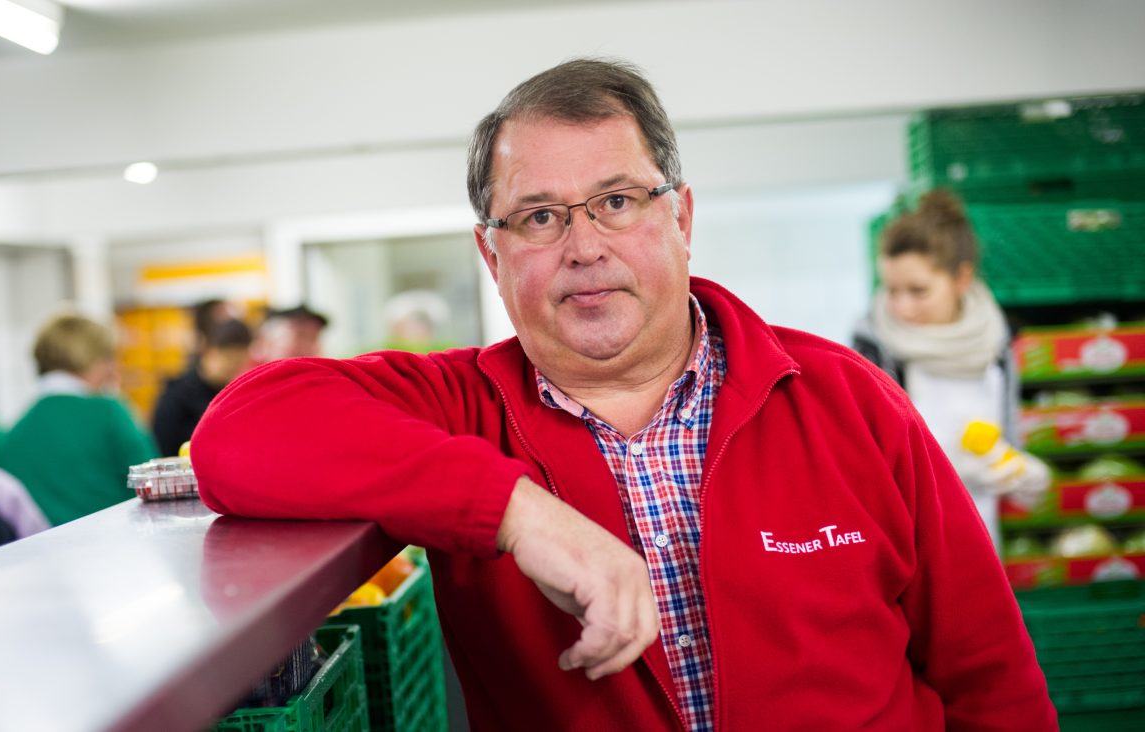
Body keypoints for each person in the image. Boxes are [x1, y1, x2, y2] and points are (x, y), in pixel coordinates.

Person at [192, 59, 1056, 730]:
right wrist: (519, 514)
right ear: (492, 258)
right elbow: (240, 429)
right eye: (538, 216)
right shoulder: (458, 408)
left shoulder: (844, 399)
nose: (582, 245)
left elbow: (992, 680)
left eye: (616, 200)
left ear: (680, 218)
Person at [852, 190, 1050, 550]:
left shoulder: (997, 346)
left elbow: (1008, 439)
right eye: (892, 290)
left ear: (961, 278)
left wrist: (1021, 474)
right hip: (907, 539)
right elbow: (862, 462)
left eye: (918, 291)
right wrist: (939, 471)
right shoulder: (872, 352)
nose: (902, 307)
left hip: (982, 530)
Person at [0, 313, 157, 526]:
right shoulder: (109, 412)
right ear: (92, 359)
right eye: (109, 359)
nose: (113, 370)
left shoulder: (9, 436)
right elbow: (153, 487)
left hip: (39, 555)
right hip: (112, 549)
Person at [152, 318, 253, 457]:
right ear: (209, 351)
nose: (233, 367)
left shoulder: (234, 396)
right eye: (228, 358)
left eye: (239, 361)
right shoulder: (176, 396)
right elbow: (161, 448)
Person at [250, 304, 328, 363]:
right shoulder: (244, 378)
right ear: (266, 343)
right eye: (300, 336)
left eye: (314, 338)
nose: (308, 346)